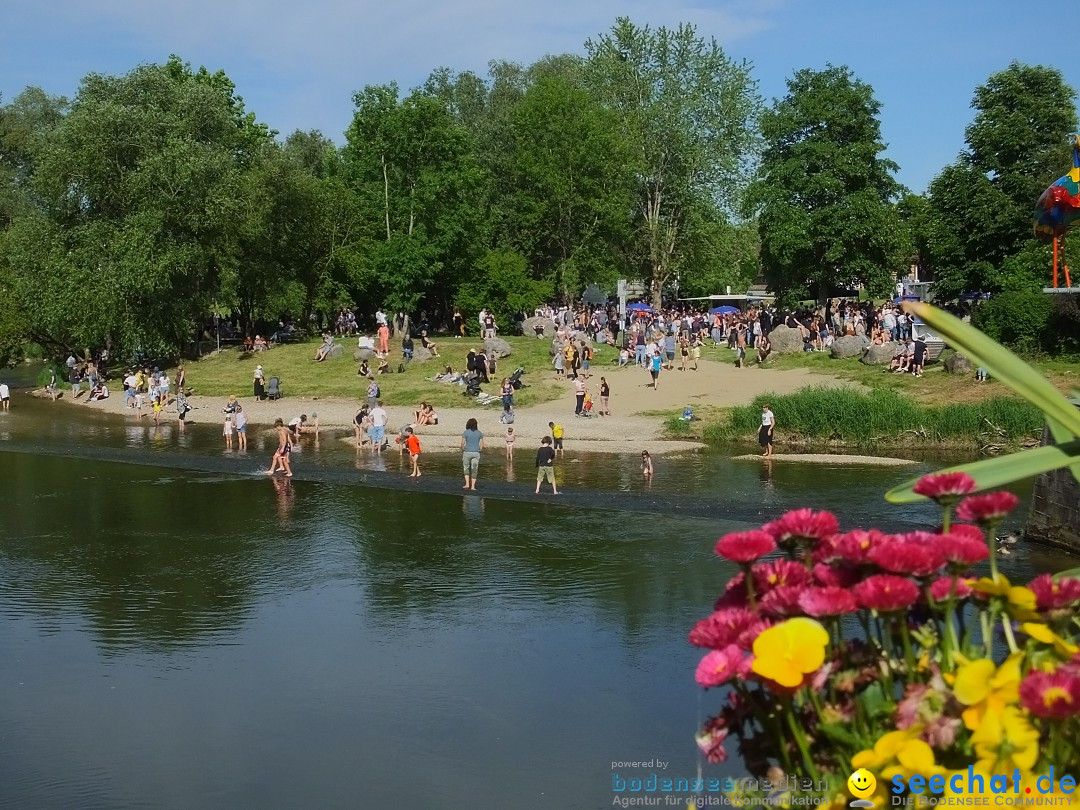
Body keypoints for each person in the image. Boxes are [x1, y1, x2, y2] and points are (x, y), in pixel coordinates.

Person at [460, 417, 484, 490]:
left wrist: (463, 449)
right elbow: (482, 444)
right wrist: (480, 450)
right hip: (476, 452)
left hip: (467, 452)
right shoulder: (479, 433)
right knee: (474, 469)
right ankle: (473, 486)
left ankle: (467, 484)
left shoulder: (466, 432)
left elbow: (462, 443)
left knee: (466, 467)